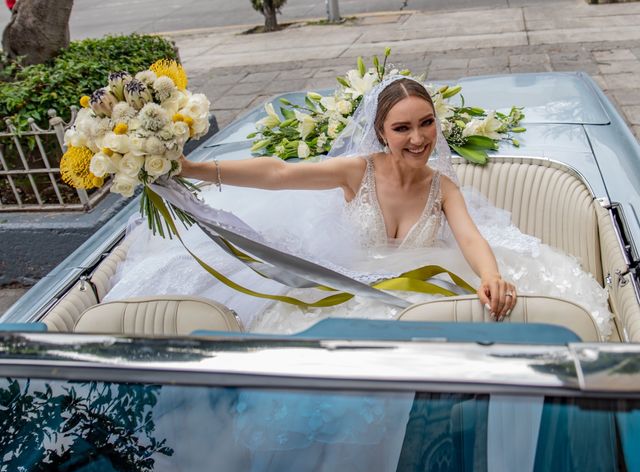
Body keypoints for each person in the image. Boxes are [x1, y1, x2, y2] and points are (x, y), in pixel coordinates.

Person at [105, 75, 611, 337]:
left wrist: (491, 275)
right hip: (348, 285)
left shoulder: (445, 187)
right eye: (402, 128)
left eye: (427, 123)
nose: (418, 138)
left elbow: (471, 237)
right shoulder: (358, 170)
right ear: (380, 132)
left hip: (422, 289)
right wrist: (192, 170)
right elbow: (280, 175)